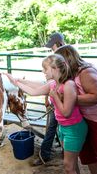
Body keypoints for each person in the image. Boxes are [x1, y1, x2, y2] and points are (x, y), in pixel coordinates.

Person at [6, 54, 87, 174]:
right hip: (63, 128)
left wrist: (55, 97)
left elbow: (66, 113)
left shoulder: (69, 85)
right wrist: (16, 82)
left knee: (68, 166)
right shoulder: (53, 84)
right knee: (72, 164)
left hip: (73, 128)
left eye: (45, 68)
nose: (42, 71)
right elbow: (33, 91)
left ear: (55, 69)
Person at [55, 45, 97, 174]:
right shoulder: (71, 74)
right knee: (87, 152)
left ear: (65, 61)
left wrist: (69, 98)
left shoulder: (86, 72)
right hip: (85, 118)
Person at [21, 32, 66, 166]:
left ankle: (45, 155)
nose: (51, 48)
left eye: (52, 45)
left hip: (60, 97)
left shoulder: (60, 57)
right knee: (56, 127)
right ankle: (60, 152)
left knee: (53, 127)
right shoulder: (58, 56)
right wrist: (48, 98)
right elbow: (51, 82)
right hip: (55, 96)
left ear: (57, 43)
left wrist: (50, 97)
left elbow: (54, 80)